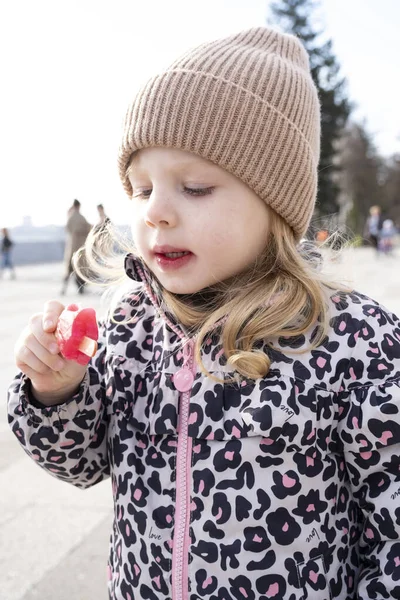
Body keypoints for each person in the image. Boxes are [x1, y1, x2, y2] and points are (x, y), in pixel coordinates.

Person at [8, 27, 400, 600]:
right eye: (140, 189)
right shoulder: (132, 325)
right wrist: (58, 392)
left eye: (194, 187)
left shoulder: (352, 340)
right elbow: (83, 462)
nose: (157, 213)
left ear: (275, 206)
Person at [61, 199, 91, 294]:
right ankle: (80, 289)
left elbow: (67, 229)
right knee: (80, 269)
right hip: (80, 247)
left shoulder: (71, 218)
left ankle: (64, 289)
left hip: (71, 247)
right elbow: (88, 230)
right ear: (79, 206)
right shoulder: (82, 218)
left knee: (68, 270)